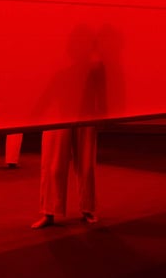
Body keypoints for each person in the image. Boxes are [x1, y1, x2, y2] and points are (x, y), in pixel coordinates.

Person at [30, 24, 112, 229]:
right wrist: (37, 111)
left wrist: (102, 115)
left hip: (84, 116)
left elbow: (100, 93)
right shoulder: (57, 60)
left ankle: (88, 208)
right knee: (53, 166)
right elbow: (48, 88)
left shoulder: (95, 64)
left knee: (85, 165)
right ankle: (49, 212)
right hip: (58, 117)